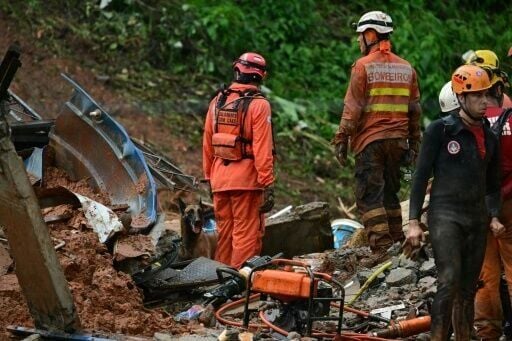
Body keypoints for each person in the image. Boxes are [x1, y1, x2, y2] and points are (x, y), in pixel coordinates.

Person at [406, 64, 503, 340]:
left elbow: (493, 186)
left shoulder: (490, 137)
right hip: (445, 216)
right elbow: (420, 176)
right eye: (477, 96)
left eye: (487, 95)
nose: (484, 102)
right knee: (448, 280)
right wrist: (413, 222)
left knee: (468, 288)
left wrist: (494, 215)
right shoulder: (440, 131)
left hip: (476, 219)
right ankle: (438, 336)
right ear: (461, 98)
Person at [332, 10, 421, 267]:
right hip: (399, 141)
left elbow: (353, 107)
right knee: (390, 196)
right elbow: (415, 109)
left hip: (371, 142)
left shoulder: (363, 66)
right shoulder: (406, 67)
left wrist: (341, 138)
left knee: (370, 197)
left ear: (371, 35)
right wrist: (414, 143)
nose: (359, 41)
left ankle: (381, 251)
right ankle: (396, 244)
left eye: (361, 35)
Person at [202, 52, 275, 269]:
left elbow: (207, 144)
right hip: (247, 182)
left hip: (219, 180)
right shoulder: (259, 105)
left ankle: (218, 278)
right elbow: (263, 149)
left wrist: (209, 177)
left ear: (237, 71)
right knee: (246, 233)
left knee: (225, 233)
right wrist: (267, 182)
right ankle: (238, 286)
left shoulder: (217, 102)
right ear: (260, 77)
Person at [465, 49, 512, 340]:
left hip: (476, 206)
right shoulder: (508, 114)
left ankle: (487, 332)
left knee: (486, 274)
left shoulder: (464, 120)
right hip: (507, 202)